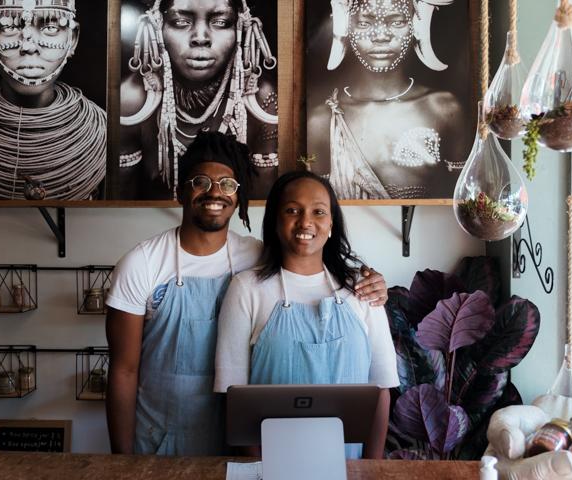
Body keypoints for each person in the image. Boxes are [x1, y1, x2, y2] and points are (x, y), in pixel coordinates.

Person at [105, 132, 388, 456]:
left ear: (238, 196)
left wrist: (371, 282)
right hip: (160, 438)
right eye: (201, 181)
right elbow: (124, 370)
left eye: (227, 184)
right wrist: (123, 461)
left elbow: (307, 263)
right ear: (182, 189)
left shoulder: (256, 258)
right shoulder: (142, 263)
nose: (215, 192)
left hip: (235, 439)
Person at [214, 170, 398, 459]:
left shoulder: (362, 288)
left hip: (349, 467)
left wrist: (371, 470)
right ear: (275, 220)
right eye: (292, 210)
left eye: (318, 211)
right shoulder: (246, 289)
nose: (305, 221)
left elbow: (381, 388)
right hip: (270, 464)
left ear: (331, 223)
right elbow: (232, 395)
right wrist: (261, 468)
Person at [307, 0, 467, 200]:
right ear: (346, 26)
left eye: (397, 22)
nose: (381, 36)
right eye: (365, 23)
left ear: (416, 25)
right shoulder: (322, 122)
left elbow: (462, 203)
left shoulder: (443, 109)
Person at [119, 0, 278, 200]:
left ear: (241, 27)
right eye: (180, 22)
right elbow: (120, 202)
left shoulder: (260, 100)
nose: (200, 38)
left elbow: (261, 208)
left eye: (221, 22)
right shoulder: (133, 100)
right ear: (157, 25)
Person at [0, 0, 107, 200]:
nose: (28, 47)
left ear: (73, 39)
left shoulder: (102, 131)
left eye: (51, 27)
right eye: (9, 26)